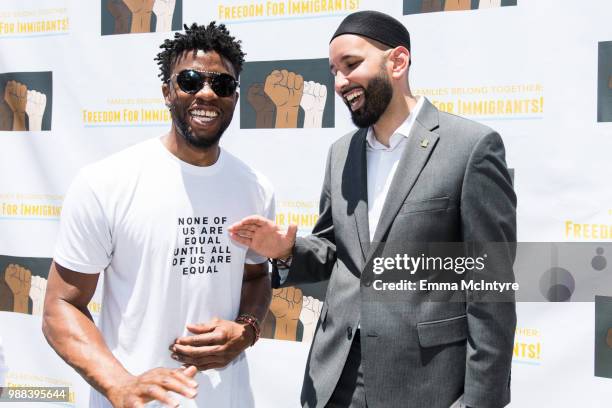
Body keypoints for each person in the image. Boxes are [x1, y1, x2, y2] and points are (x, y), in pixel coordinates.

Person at [229, 10, 516, 408]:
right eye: (333, 70)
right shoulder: (341, 153)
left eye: (351, 65)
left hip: (423, 382)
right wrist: (285, 250)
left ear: (397, 61)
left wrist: (480, 401)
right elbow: (337, 253)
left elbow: (491, 286)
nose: (340, 82)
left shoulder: (471, 148)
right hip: (334, 378)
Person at [42, 22, 274, 408]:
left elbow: (256, 275)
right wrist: (119, 384)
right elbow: (60, 307)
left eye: (222, 85)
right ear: (167, 92)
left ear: (235, 96)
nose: (206, 92)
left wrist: (247, 330)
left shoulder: (255, 187)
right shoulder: (107, 182)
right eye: (190, 80)